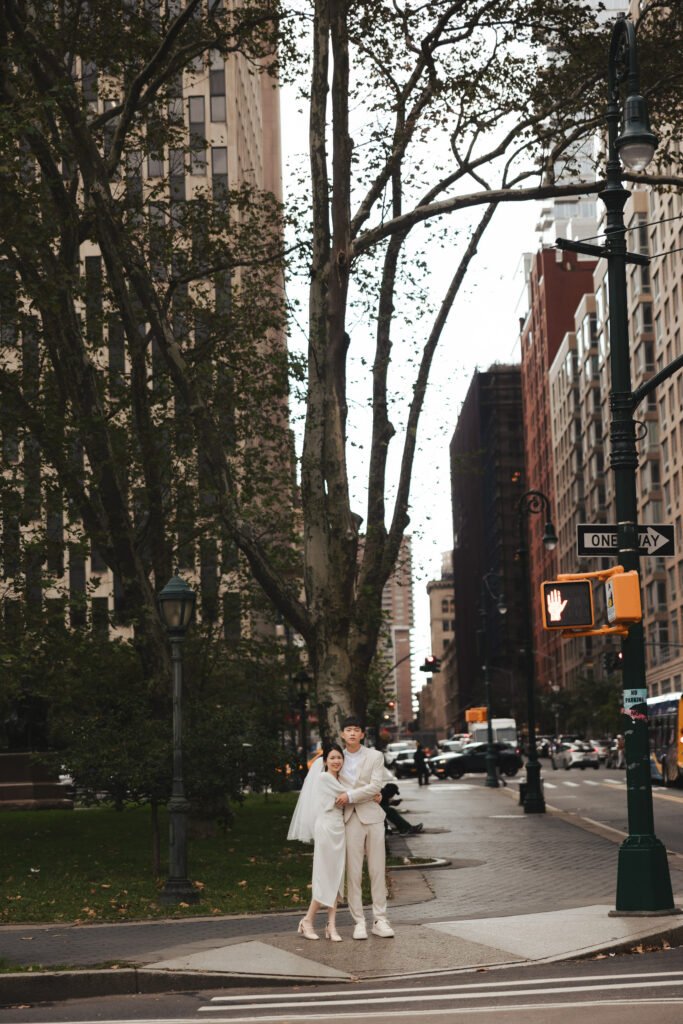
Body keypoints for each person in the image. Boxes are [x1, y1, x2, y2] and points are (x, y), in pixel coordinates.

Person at [336, 715, 395, 940]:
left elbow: (376, 785)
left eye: (356, 729)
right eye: (348, 729)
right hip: (350, 820)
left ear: (362, 734)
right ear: (342, 734)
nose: (352, 733)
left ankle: (380, 919)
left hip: (373, 818)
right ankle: (359, 921)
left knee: (377, 870)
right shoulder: (336, 758)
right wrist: (366, 795)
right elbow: (332, 788)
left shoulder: (375, 756)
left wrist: (349, 796)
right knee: (353, 873)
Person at [287, 742, 348, 941]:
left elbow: (348, 796)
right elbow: (352, 795)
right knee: (324, 876)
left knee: (336, 876)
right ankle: (307, 920)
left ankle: (331, 926)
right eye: (332, 758)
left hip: (340, 830)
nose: (336, 761)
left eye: (339, 757)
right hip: (326, 829)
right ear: (325, 761)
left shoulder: (340, 779)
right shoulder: (324, 778)